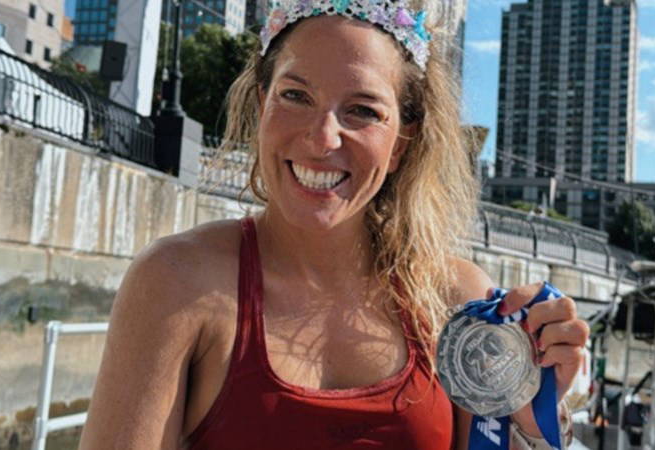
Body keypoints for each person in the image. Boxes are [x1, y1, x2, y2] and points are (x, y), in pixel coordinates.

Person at [78, 1, 589, 448]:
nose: (323, 138)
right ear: (262, 105)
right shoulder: (175, 283)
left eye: (362, 110)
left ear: (402, 143)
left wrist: (531, 422)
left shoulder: (455, 302)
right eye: (295, 96)